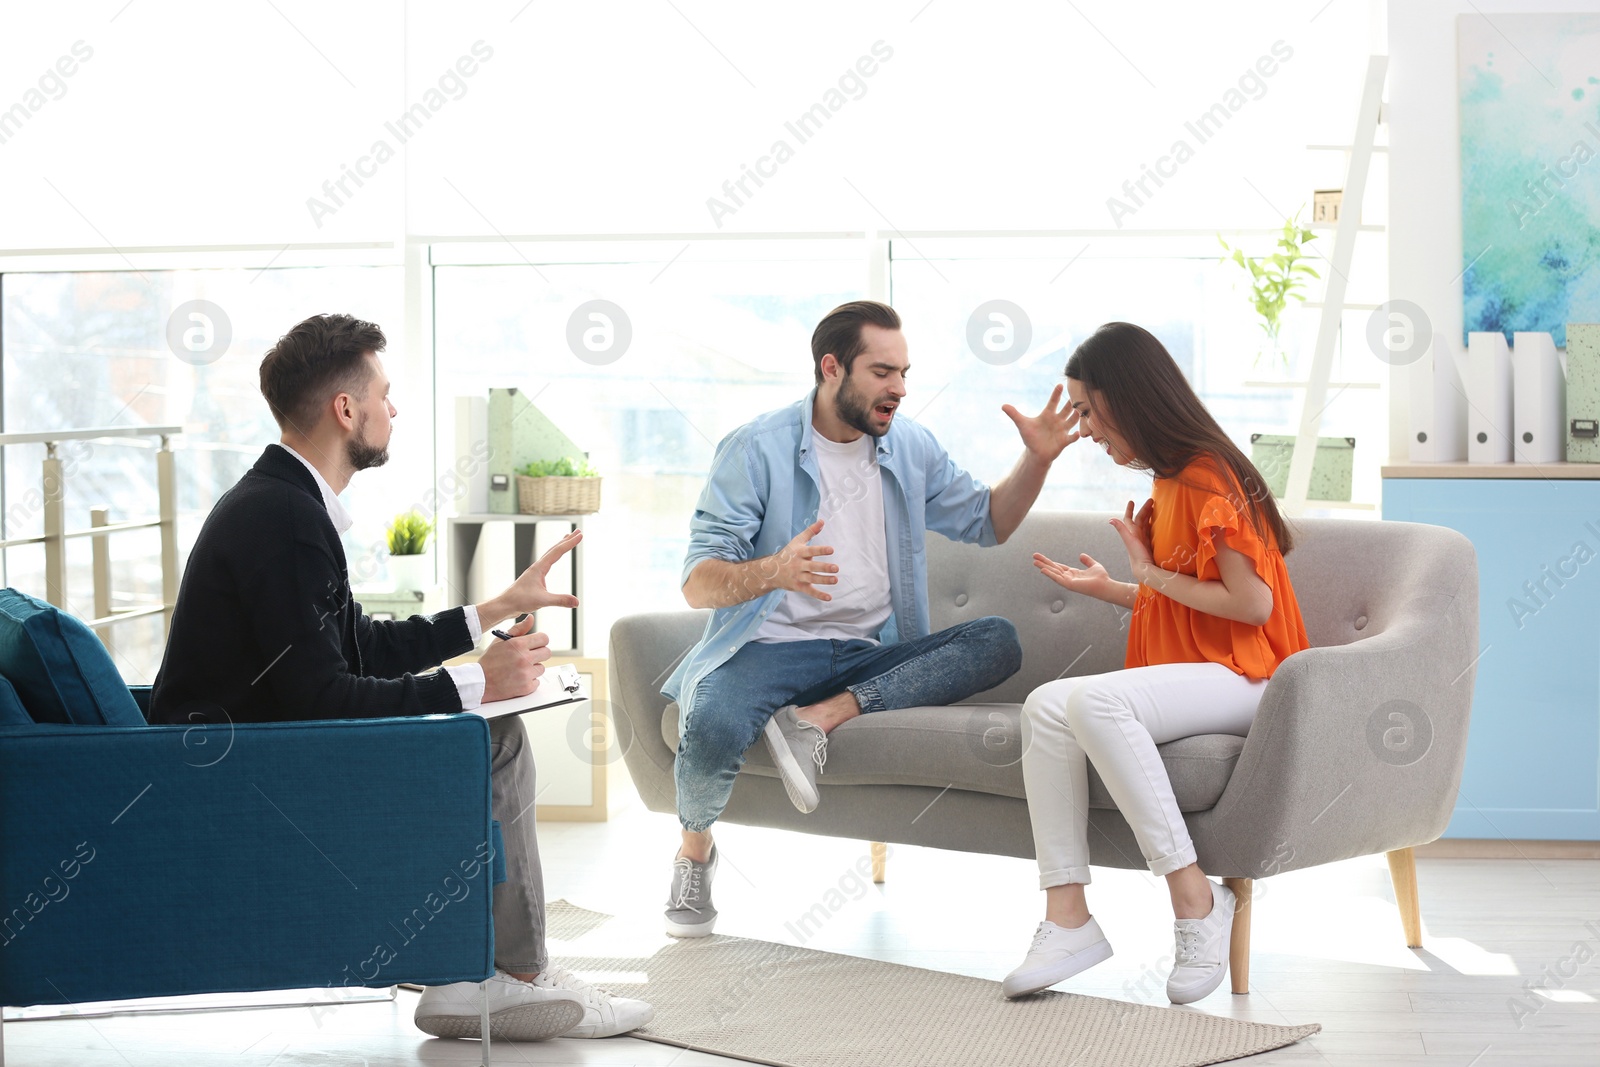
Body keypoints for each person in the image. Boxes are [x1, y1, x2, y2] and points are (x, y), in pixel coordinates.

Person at [150, 313, 651, 1042]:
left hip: (257, 748)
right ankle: (512, 975)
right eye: (384, 393)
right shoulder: (284, 520)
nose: (393, 408)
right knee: (498, 738)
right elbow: (322, 697)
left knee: (489, 724)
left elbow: (355, 647)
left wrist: (493, 611)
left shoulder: (283, 503)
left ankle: (470, 972)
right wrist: (481, 686)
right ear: (345, 409)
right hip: (252, 774)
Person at [661, 299, 1081, 938]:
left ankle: (817, 719)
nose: (900, 390)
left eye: (905, 373)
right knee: (713, 722)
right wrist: (774, 570)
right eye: (883, 372)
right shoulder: (756, 449)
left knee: (997, 641)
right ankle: (694, 857)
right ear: (832, 368)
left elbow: (988, 522)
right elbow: (697, 583)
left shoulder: (908, 446)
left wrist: (1039, 460)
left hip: (867, 651)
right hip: (766, 648)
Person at [1002, 322, 1309, 1004]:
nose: (1083, 427)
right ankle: (1067, 916)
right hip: (1216, 669)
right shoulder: (1171, 479)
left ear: (1128, 399)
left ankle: (1194, 899)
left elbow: (1251, 607)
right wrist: (1119, 587)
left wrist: (1143, 572)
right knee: (1046, 704)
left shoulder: (1205, 476)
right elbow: (1189, 597)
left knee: (1093, 700)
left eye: (1086, 410)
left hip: (1258, 678)